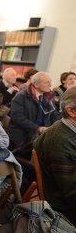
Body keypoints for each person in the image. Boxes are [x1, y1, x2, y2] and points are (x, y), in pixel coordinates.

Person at [33, 86, 76, 225]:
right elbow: (71, 192)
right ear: (71, 111)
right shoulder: (60, 141)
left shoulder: (68, 129)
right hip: (65, 207)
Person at [8, 72, 61, 154]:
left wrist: (57, 128)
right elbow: (18, 118)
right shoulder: (21, 97)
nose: (50, 85)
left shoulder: (48, 97)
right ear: (36, 84)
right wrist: (38, 129)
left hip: (43, 133)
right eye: (47, 82)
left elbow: (55, 115)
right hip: (25, 136)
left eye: (50, 82)